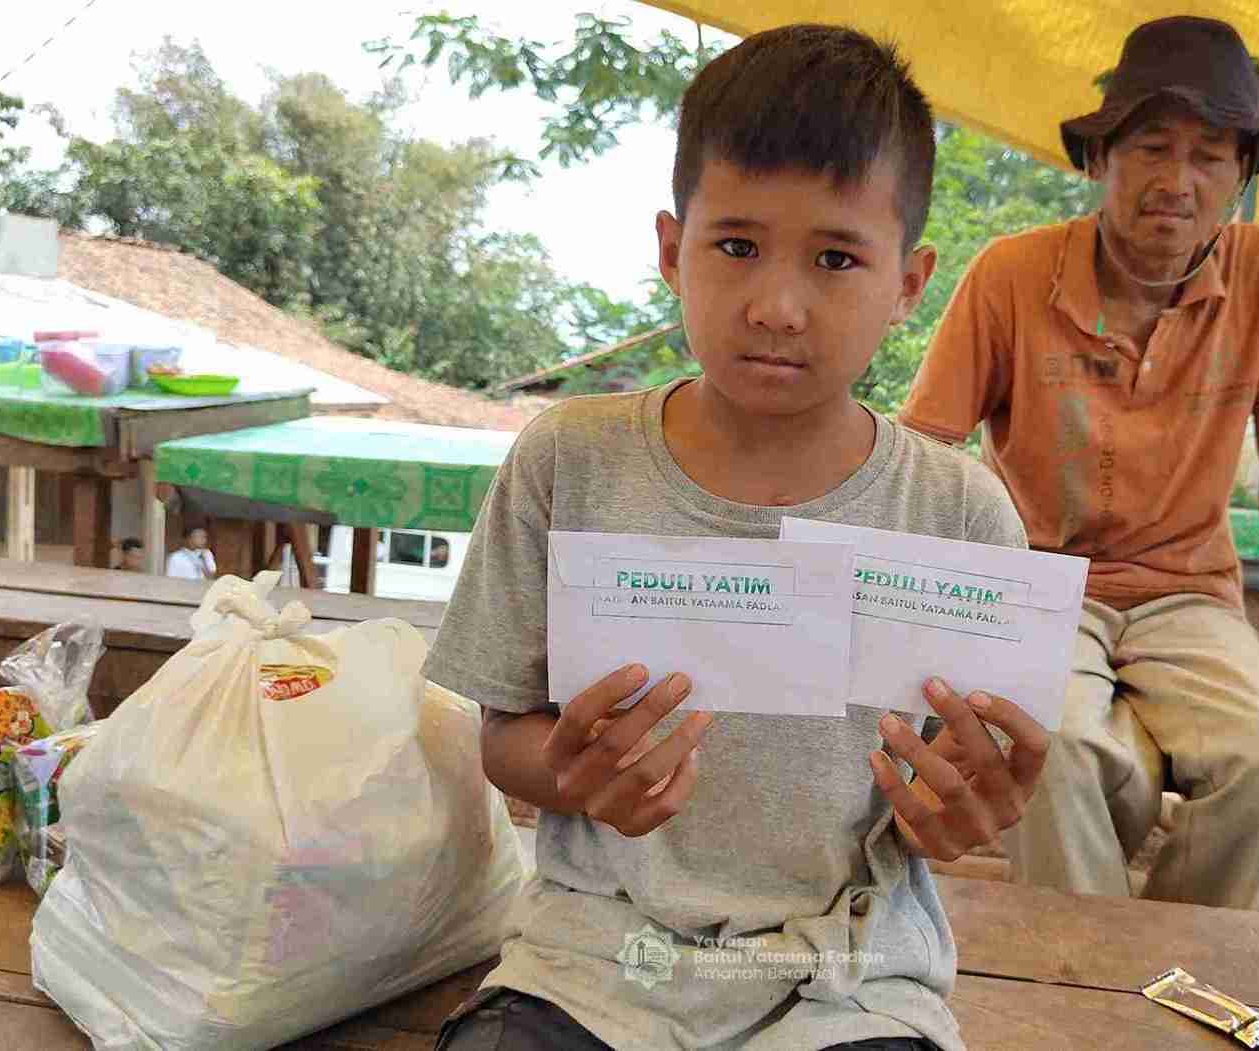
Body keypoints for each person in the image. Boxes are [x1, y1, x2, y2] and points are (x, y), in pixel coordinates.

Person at [425, 25, 1049, 1051]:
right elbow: (504, 738)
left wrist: (969, 812)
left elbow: (965, 795)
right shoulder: (568, 463)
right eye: (737, 245)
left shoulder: (962, 516)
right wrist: (577, 775)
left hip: (845, 973)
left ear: (909, 281)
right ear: (673, 250)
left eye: (838, 257)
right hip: (603, 956)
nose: (776, 305)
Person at [897, 14, 1259, 912]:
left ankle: (1185, 990)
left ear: (1240, 175)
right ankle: (1091, 1000)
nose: (1176, 182)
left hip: (1191, 597)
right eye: (1150, 146)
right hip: (1038, 587)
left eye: (1210, 155)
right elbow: (923, 456)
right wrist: (925, 634)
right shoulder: (1011, 275)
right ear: (1100, 156)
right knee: (1049, 748)